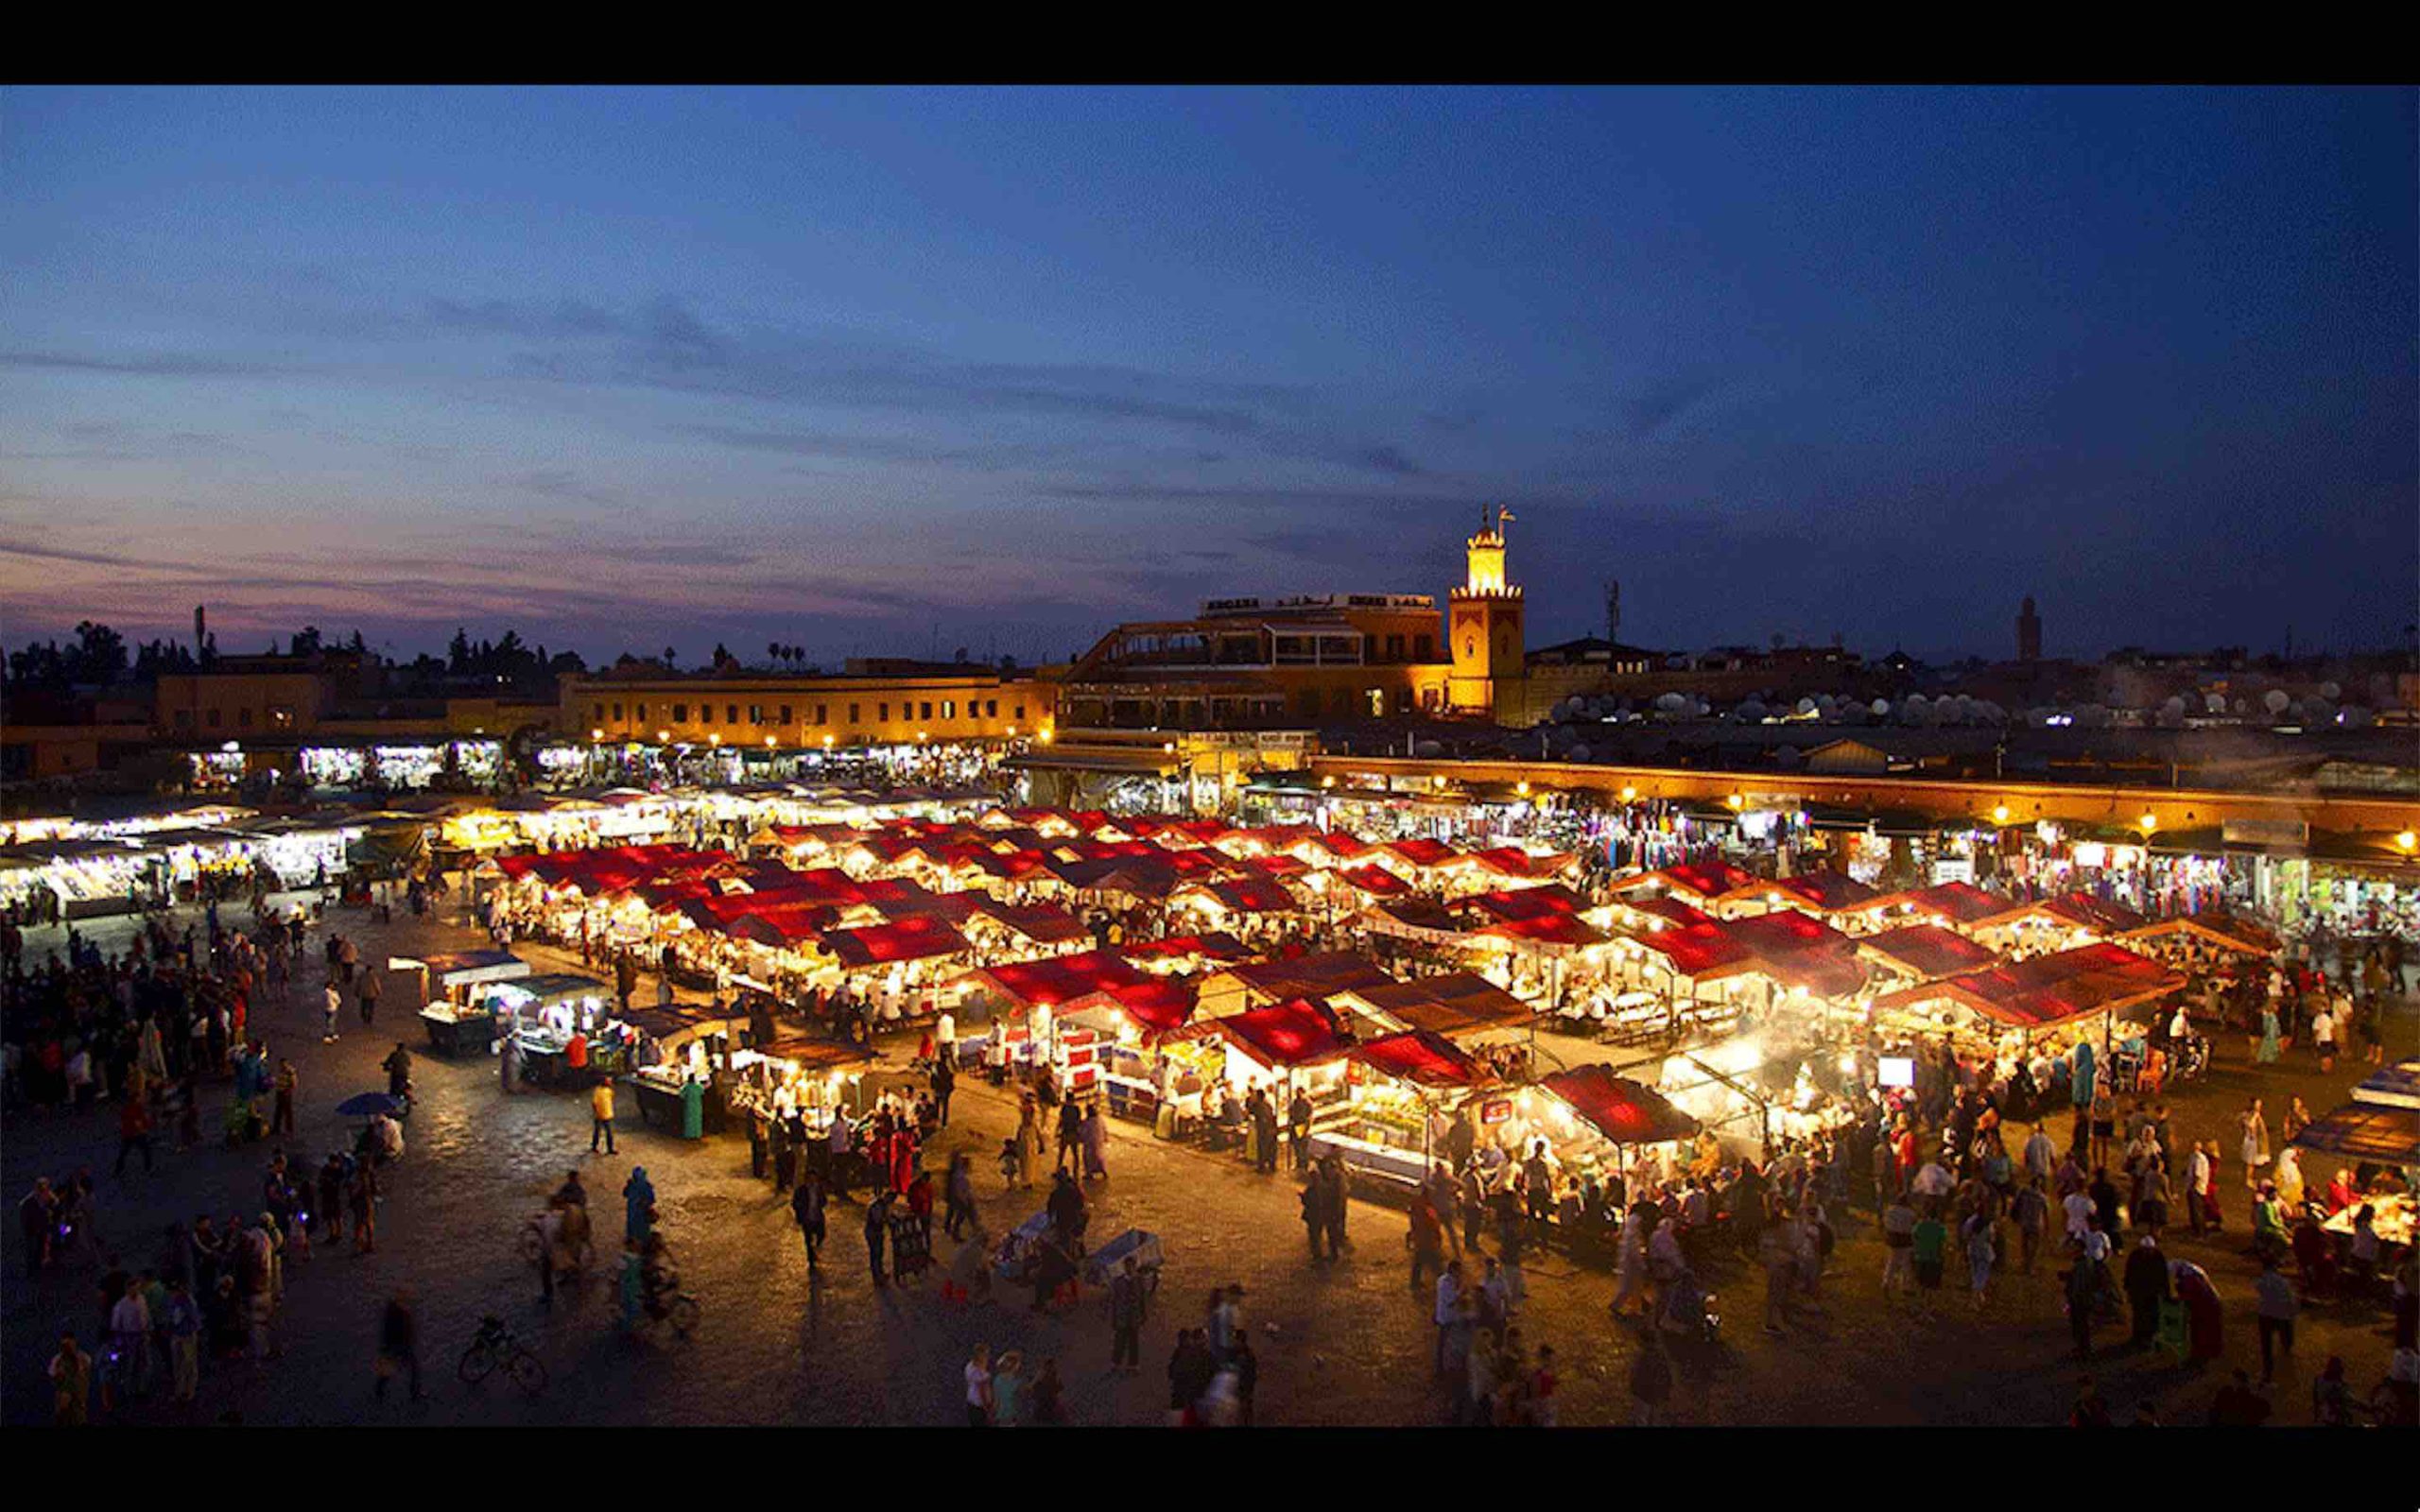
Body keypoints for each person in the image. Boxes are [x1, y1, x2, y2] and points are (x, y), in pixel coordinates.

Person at [2255, 1256, 2299, 1385]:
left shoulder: (2262, 1281)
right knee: (2285, 1335)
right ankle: (2286, 1350)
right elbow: (2290, 1299)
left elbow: (2259, 1289)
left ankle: (2267, 1369)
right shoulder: (2283, 1282)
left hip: (2266, 1313)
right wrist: (2292, 1312)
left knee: (2266, 1343)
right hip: (2281, 1313)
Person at [374, 1288, 423, 1401]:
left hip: (396, 1345)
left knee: (392, 1369)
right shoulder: (397, 1313)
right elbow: (396, 1330)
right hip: (399, 1345)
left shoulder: (397, 1311)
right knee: (413, 1369)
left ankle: (379, 1390)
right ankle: (414, 1392)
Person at [2124, 1233, 2170, 1349]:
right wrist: (2128, 1289)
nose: (2147, 1252)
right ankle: (2139, 1338)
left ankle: (2151, 1338)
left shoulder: (2158, 1257)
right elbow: (2129, 1273)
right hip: (2139, 1292)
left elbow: (2163, 1277)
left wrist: (2165, 1292)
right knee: (2139, 1316)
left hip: (2152, 1293)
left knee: (2153, 1316)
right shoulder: (2136, 1257)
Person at [1110, 1256, 1147, 1375]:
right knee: (1120, 1341)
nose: (1130, 1268)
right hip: (1122, 1316)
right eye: (1128, 1266)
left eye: (1132, 1266)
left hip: (1134, 1316)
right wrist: (1114, 1317)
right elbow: (1115, 1301)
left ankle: (1133, 1364)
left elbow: (1142, 1298)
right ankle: (1116, 1363)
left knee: (1133, 1341)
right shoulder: (1118, 1282)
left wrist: (1143, 1313)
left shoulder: (1139, 1281)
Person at [50, 1331, 93, 1426]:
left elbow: (85, 1372)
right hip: (63, 1404)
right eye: (64, 1345)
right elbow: (52, 1375)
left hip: (78, 1404)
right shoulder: (58, 1360)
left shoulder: (83, 1358)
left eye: (69, 1344)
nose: (67, 1348)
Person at [963, 1345, 994, 1426]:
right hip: (980, 1406)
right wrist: (988, 1409)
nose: (988, 1357)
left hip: (971, 1402)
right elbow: (983, 1392)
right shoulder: (981, 1374)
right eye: (986, 1354)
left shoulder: (969, 1366)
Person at [590, 1077, 616, 1155]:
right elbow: (594, 1103)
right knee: (600, 1131)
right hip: (601, 1115)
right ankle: (596, 1146)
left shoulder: (600, 1090)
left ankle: (608, 1148)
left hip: (605, 1114)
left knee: (606, 1132)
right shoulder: (600, 1091)